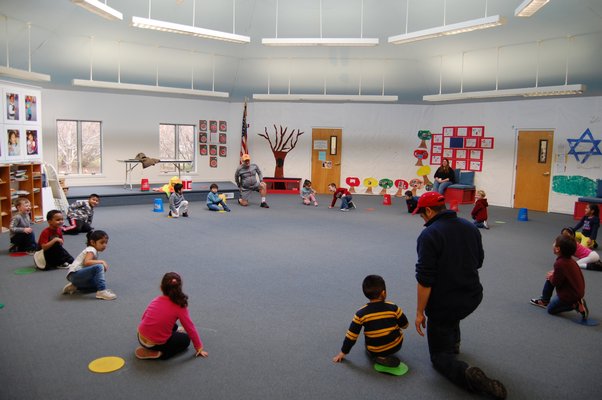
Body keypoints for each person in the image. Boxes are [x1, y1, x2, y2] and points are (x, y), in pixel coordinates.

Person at [413, 192, 507, 399]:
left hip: (446, 304)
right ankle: (454, 342)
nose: (422, 219)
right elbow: (479, 261)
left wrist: (420, 312)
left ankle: (467, 376)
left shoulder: (429, 235)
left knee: (439, 356)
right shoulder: (469, 227)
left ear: (428, 211)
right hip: (472, 296)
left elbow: (425, 280)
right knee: (452, 315)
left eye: (421, 215)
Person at [332, 275, 409, 367]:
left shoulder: (360, 313)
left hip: (374, 349)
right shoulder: (393, 307)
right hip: (396, 345)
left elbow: (351, 336)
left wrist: (343, 352)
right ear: (383, 293)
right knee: (396, 332)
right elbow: (405, 325)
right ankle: (387, 351)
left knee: (368, 345)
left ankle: (379, 357)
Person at [136, 272, 209, 360]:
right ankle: (160, 354)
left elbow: (144, 317)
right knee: (185, 340)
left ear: (161, 287)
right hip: (155, 344)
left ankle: (151, 346)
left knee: (169, 323)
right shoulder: (180, 306)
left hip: (140, 336)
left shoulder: (156, 300)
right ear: (180, 288)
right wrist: (199, 347)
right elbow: (190, 327)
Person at [530, 235, 588, 318]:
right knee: (551, 275)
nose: (553, 244)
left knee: (551, 309)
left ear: (557, 249)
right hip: (576, 291)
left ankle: (575, 305)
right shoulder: (571, 261)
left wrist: (551, 277)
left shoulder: (560, 263)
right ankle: (544, 300)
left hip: (569, 295)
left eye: (555, 243)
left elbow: (556, 282)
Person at [62, 230, 116, 300]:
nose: (104, 245)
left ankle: (75, 286)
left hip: (76, 276)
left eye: (106, 243)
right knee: (99, 266)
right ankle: (102, 291)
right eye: (102, 242)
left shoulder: (93, 250)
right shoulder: (91, 250)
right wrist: (102, 262)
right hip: (75, 274)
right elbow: (86, 262)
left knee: (96, 284)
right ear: (93, 242)